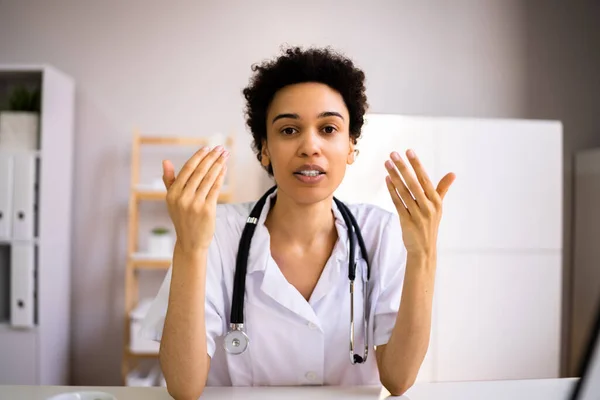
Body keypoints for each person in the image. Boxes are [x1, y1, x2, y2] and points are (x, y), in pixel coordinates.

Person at [140, 46, 455, 399]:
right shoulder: (216, 232)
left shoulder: (379, 232)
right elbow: (183, 387)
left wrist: (423, 252)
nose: (309, 145)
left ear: (351, 146)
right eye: (289, 130)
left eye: (328, 128)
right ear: (264, 149)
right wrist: (189, 246)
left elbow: (399, 379)